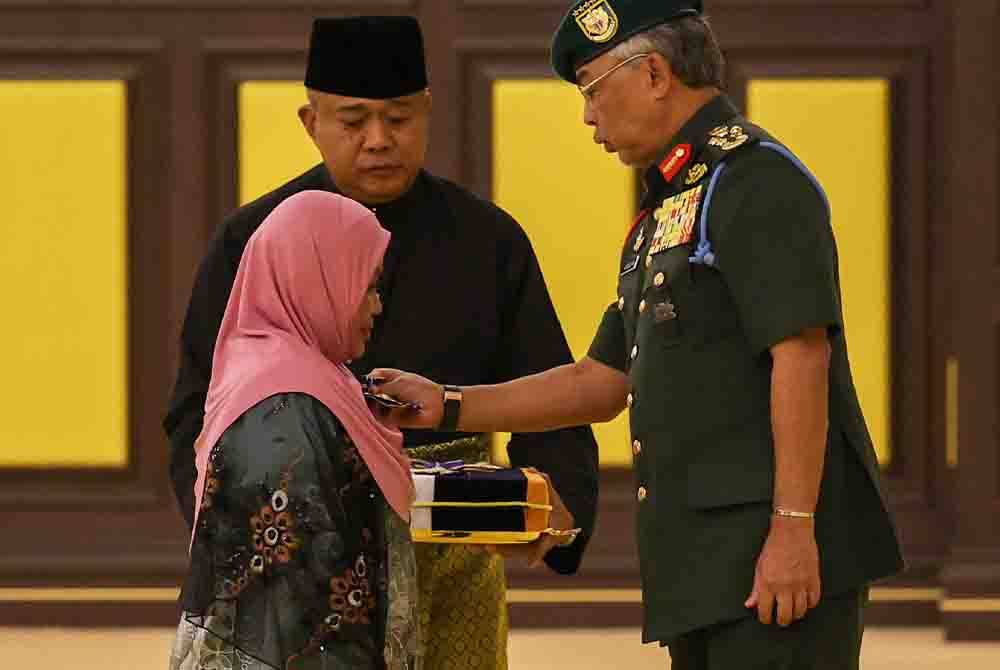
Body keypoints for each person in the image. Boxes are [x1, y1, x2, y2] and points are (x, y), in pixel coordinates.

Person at [373, 2, 904, 668]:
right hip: (709, 565)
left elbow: (802, 355)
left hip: (772, 557)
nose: (588, 115)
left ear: (653, 73)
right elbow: (599, 381)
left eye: (592, 88)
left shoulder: (754, 180)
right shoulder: (670, 206)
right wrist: (448, 403)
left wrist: (793, 530)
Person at [163, 15, 599, 670]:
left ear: (427, 111)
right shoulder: (255, 242)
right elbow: (197, 415)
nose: (377, 141)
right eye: (353, 120)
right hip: (299, 562)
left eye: (398, 119)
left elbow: (549, 391)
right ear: (310, 122)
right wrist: (242, 540)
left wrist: (556, 507)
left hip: (454, 555)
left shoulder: (486, 240)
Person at [168, 190, 420, 670]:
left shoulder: (303, 378)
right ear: (317, 280)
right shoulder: (285, 412)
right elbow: (304, 617)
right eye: (367, 286)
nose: (378, 307)